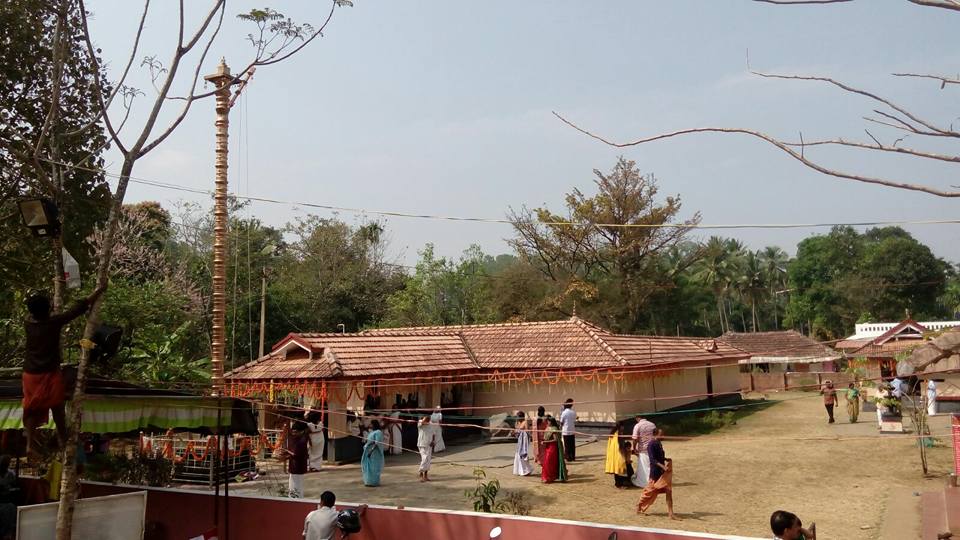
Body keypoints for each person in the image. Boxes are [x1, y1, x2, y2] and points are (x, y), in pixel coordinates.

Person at [22, 287, 105, 458]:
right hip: (49, 372)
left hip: (30, 373)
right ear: (48, 310)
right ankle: (62, 436)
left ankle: (30, 443)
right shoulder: (53, 322)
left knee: (30, 408)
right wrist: (98, 291)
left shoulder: (28, 322)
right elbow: (77, 309)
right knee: (57, 405)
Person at [636, 429, 677, 520]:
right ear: (655, 434)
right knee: (649, 492)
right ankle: (638, 508)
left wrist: (665, 459)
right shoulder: (651, 444)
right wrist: (663, 466)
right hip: (655, 473)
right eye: (661, 435)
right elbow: (653, 460)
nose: (663, 436)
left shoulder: (658, 443)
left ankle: (671, 513)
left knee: (668, 491)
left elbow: (659, 457)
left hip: (662, 473)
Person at [302, 491, 368, 540]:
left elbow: (304, 535)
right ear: (333, 503)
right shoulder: (335, 515)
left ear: (321, 502)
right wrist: (360, 508)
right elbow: (350, 516)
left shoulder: (310, 515)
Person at [284, 422, 309, 498]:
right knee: (293, 484)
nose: (294, 433)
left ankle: (296, 498)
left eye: (296, 432)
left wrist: (286, 451)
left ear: (301, 431)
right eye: (293, 432)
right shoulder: (298, 439)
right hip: (295, 465)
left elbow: (296, 454)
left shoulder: (302, 441)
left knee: (296, 485)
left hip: (298, 466)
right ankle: (294, 497)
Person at [604, 422, 632, 488]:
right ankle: (620, 484)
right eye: (623, 426)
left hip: (615, 454)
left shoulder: (613, 433)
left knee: (617, 468)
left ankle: (619, 483)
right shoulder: (618, 434)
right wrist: (624, 452)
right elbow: (620, 445)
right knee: (620, 468)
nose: (623, 428)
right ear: (621, 427)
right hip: (619, 453)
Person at [540, 416, 567, 483]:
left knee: (549, 462)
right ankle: (547, 477)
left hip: (552, 447)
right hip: (547, 447)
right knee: (546, 462)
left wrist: (545, 442)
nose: (547, 422)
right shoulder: (547, 428)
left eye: (548, 421)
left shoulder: (554, 429)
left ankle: (549, 477)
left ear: (551, 422)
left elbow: (555, 440)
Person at [631, 414, 656, 487]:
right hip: (652, 448)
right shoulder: (652, 424)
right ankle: (653, 480)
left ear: (637, 417)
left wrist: (634, 448)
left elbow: (634, 438)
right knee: (651, 465)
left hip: (643, 449)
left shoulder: (637, 426)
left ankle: (644, 482)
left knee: (644, 467)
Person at [361, 419, 385, 487]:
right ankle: (368, 481)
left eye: (371, 424)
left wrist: (371, 451)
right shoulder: (371, 432)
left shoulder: (378, 432)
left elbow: (377, 443)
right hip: (368, 451)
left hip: (374, 453)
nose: (370, 425)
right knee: (368, 467)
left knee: (374, 467)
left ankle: (374, 482)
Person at [512, 411, 532, 476]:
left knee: (523, 454)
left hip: (524, 441)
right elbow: (516, 430)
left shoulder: (525, 422)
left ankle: (526, 471)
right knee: (518, 454)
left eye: (518, 417)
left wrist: (522, 432)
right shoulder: (517, 423)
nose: (517, 418)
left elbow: (528, 432)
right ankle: (519, 470)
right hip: (519, 441)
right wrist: (514, 432)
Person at [417, 416, 434, 482]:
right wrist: (424, 419)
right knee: (424, 458)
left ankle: (425, 475)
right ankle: (421, 473)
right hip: (421, 444)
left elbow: (433, 433)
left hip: (429, 444)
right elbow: (422, 423)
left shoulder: (431, 423)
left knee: (428, 460)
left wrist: (433, 441)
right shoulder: (420, 422)